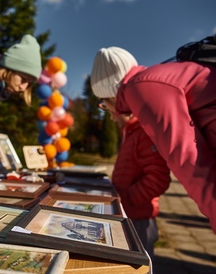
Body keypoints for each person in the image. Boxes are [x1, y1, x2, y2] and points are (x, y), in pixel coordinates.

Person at [90, 46, 216, 233]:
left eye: (103, 103)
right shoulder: (150, 81)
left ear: (111, 94)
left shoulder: (140, 87)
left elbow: (188, 159)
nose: (107, 111)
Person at [98, 100, 171, 260]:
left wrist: (127, 198)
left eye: (111, 112)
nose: (111, 118)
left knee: (139, 264)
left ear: (123, 107)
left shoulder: (144, 132)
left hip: (140, 218)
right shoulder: (130, 132)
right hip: (130, 214)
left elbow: (158, 178)